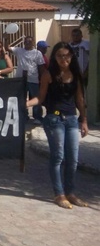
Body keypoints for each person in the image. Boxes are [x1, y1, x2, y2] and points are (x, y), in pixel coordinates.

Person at [27, 42, 89, 210]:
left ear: (71, 56)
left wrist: (83, 120)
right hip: (54, 120)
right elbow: (40, 98)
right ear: (54, 57)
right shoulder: (48, 75)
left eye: (67, 55)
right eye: (60, 56)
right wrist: (26, 104)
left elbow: (80, 100)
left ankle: (70, 193)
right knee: (58, 156)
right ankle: (59, 193)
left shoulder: (75, 75)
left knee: (73, 159)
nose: (64, 59)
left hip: (71, 120)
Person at [5, 35, 45, 123]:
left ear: (33, 42)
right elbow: (7, 48)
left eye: (29, 42)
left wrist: (42, 79)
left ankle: (37, 117)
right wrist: (6, 39)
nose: (27, 43)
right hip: (20, 79)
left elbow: (41, 67)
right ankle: (23, 116)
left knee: (36, 98)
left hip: (33, 79)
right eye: (26, 42)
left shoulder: (37, 53)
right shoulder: (19, 50)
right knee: (21, 98)